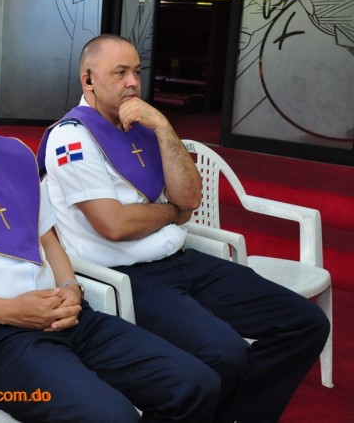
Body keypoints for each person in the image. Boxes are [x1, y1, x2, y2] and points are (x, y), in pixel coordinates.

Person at [0, 47, 221, 422]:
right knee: (113, 417)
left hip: (66, 316)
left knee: (195, 383)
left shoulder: (16, 155)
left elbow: (48, 239)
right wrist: (9, 311)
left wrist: (71, 286)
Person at [38, 34, 330, 423]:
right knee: (226, 353)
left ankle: (234, 415)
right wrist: (171, 214)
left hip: (182, 260)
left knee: (305, 323)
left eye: (136, 72)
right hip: (128, 277)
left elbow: (189, 198)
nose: (132, 83)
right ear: (88, 79)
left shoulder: (143, 124)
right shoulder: (71, 137)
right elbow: (114, 225)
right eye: (120, 73)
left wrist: (162, 126)